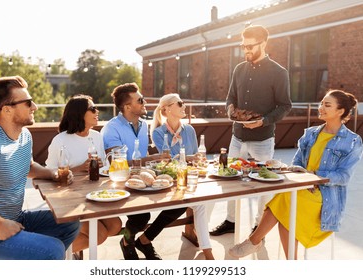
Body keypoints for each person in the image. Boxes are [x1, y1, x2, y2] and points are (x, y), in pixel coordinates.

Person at [230, 89, 363, 259]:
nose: (321, 107)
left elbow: (344, 176)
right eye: (321, 103)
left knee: (285, 200)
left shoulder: (351, 141)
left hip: (324, 195)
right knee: (287, 204)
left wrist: (313, 176)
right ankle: (290, 263)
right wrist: (300, 174)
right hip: (302, 187)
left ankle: (254, 241)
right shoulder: (311, 134)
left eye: (327, 105)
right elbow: (298, 163)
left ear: (340, 111)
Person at [0, 76, 80, 260]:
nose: (35, 107)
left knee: (70, 221)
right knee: (52, 250)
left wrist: (52, 174)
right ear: (7, 110)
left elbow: (28, 166)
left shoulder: (24, 136)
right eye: (28, 102)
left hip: (17, 218)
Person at [210, 25, 292, 244]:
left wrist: (263, 121)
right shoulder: (238, 69)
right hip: (237, 137)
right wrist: (229, 109)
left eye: (249, 46)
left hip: (263, 140)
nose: (245, 49)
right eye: (243, 45)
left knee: (264, 183)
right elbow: (230, 98)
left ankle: (258, 225)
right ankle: (230, 221)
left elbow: (285, 105)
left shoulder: (279, 72)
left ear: (263, 43)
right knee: (229, 179)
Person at [101, 82, 174, 260]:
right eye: (140, 100)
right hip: (121, 182)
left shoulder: (143, 124)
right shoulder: (112, 128)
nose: (145, 103)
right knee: (142, 216)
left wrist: (157, 163)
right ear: (127, 106)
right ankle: (127, 242)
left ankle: (145, 239)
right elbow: (117, 163)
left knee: (179, 201)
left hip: (144, 177)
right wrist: (153, 158)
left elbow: (143, 153)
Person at [45, 94, 122, 259]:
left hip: (94, 194)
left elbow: (104, 165)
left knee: (115, 225)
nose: (97, 111)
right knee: (99, 235)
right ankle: (53, 255)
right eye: (92, 108)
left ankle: (67, 248)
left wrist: (103, 166)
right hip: (70, 199)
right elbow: (49, 170)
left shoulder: (97, 136)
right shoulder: (60, 140)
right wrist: (79, 168)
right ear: (79, 113)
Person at [149, 93, 214, 260]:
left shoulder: (189, 129)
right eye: (180, 103)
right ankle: (207, 251)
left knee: (207, 200)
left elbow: (194, 155)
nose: (184, 106)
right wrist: (189, 158)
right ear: (167, 109)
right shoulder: (158, 133)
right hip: (170, 177)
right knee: (199, 204)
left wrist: (197, 159)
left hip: (191, 176)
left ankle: (203, 242)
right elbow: (168, 159)